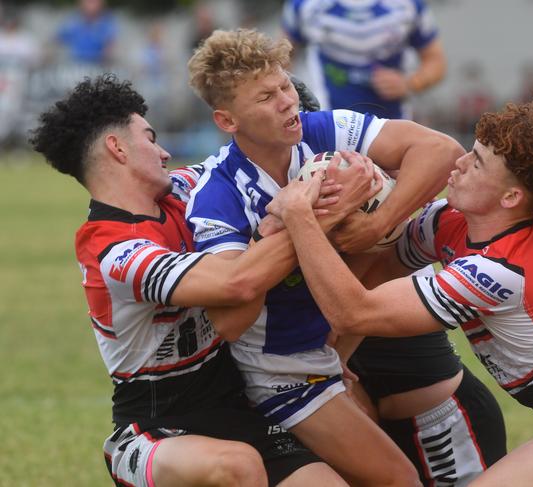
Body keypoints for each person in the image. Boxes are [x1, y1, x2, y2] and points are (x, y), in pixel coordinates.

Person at [268, 92, 533, 486]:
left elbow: (355, 310)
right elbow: (383, 269)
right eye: (471, 151)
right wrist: (337, 360)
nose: (460, 163)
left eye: (477, 163)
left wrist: (300, 218)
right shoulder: (449, 221)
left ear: (511, 197)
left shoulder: (498, 270)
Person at [29, 73, 375, 487]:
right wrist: (321, 215)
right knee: (237, 466)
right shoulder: (114, 250)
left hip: (234, 403)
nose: (164, 151)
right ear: (116, 147)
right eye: (150, 137)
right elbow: (236, 283)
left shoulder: (184, 190)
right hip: (153, 424)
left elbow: (243, 160)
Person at [186, 28, 462, 486]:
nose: (287, 102)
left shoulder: (321, 132)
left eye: (285, 87)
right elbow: (229, 321)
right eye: (265, 98)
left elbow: (441, 151)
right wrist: (309, 221)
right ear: (227, 121)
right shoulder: (218, 195)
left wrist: (375, 223)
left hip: (330, 346)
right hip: (282, 369)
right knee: (399, 479)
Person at [292, 70, 507, 484]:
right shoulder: (276, 217)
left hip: (444, 429)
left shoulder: (370, 210)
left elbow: (349, 319)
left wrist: (376, 225)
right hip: (371, 431)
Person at [282, 0, 446, 119]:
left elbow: (436, 62)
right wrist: (291, 100)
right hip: (328, 118)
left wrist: (410, 83)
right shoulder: (304, 6)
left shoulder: (408, 6)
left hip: (392, 120)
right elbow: (282, 58)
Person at [56, 0, 117, 65]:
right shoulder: (72, 20)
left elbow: (111, 46)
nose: (91, 4)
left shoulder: (108, 22)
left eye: (94, 2)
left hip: (97, 66)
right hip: (74, 65)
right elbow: (56, 40)